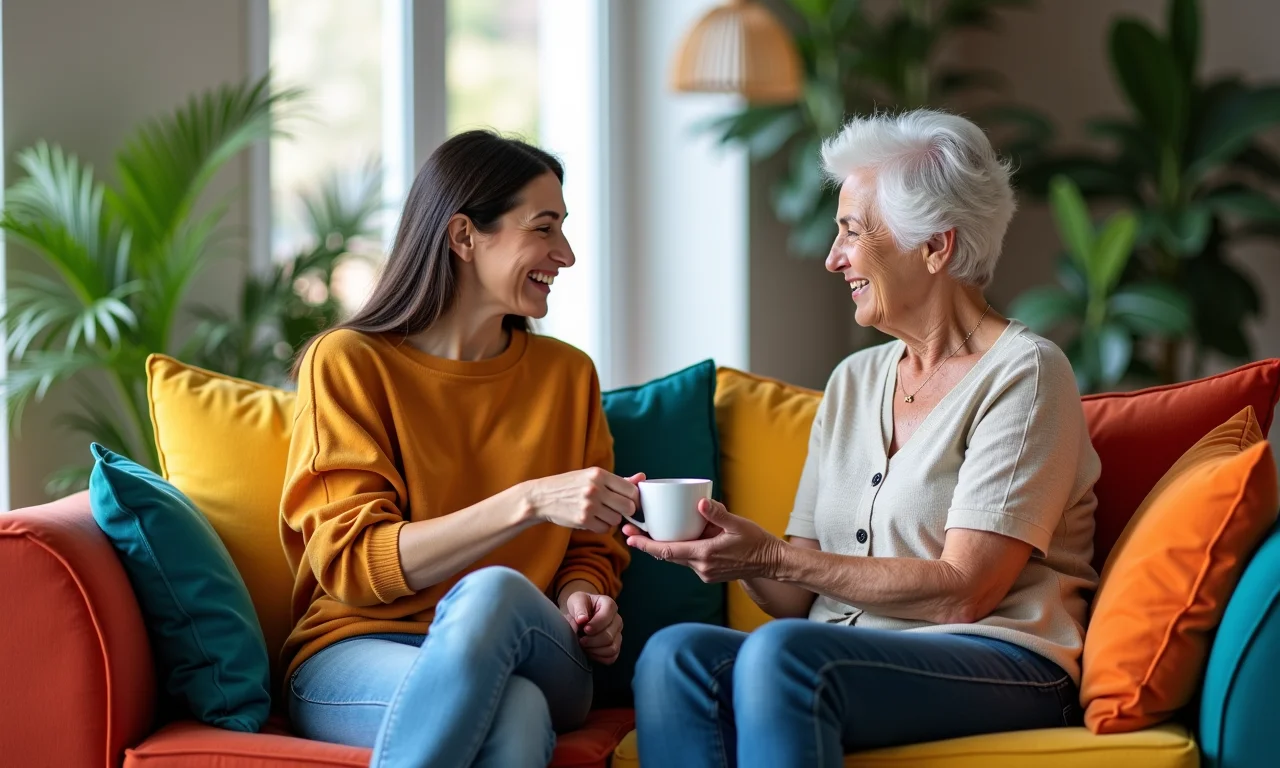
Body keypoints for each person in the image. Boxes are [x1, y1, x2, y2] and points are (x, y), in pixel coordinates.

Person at [629, 109, 1102, 768]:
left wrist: (773, 559)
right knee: (674, 657)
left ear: (935, 246)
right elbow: (795, 595)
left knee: (786, 658)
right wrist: (733, 549)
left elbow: (965, 591)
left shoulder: (1025, 373)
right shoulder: (853, 381)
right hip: (846, 655)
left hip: (1003, 660)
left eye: (851, 232)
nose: (832, 259)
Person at [280, 131, 638, 768]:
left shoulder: (567, 375)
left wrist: (583, 597)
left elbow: (591, 547)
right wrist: (528, 502)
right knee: (517, 711)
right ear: (464, 236)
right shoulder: (349, 364)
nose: (568, 254)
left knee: (495, 595)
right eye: (545, 228)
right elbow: (357, 565)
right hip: (356, 652)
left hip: (535, 647)